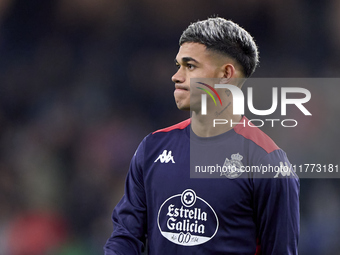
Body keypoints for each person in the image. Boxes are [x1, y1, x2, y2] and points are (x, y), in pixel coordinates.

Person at [104, 17, 299, 255]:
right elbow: (125, 236)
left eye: (190, 66)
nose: (176, 76)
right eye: (178, 65)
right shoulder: (153, 148)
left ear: (225, 74)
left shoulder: (268, 163)